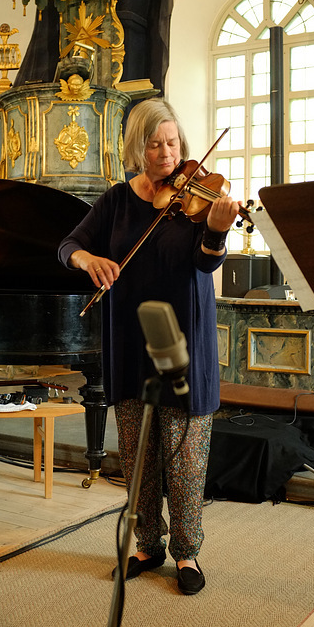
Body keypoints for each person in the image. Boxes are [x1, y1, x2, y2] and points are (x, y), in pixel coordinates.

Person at [58, 98, 240, 595]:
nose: (166, 154)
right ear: (137, 147)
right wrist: (88, 261)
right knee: (139, 458)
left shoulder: (197, 199)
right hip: (130, 342)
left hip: (182, 343)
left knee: (183, 459)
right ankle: (147, 544)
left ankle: (188, 553)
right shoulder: (116, 200)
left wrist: (217, 233)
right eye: (155, 144)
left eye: (173, 143)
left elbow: (205, 265)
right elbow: (67, 246)